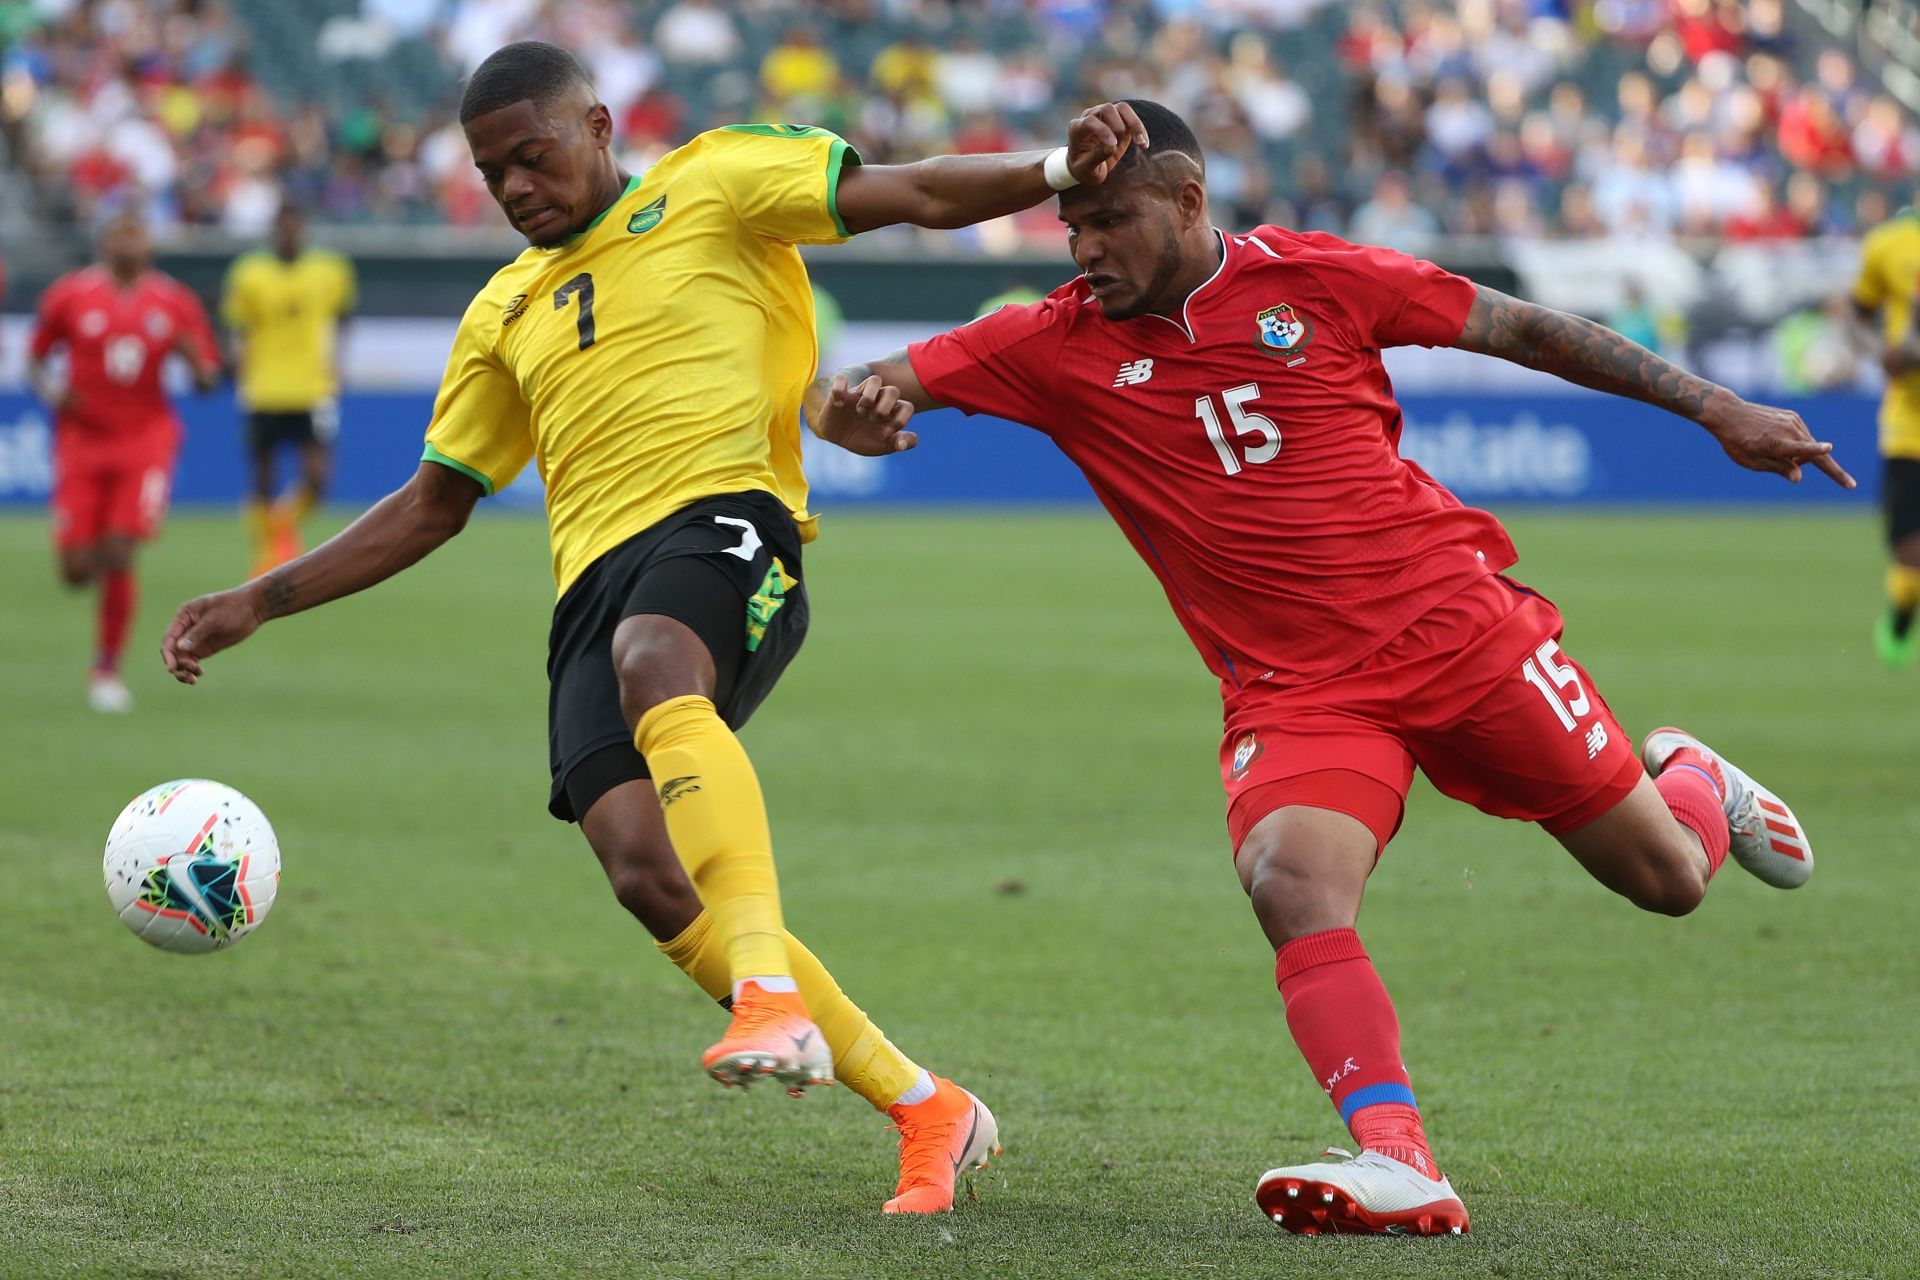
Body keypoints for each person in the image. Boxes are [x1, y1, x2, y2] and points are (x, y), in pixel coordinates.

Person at [809, 100, 1851, 1236]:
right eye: (1072, 226)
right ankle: (1397, 1154)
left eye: (1109, 220)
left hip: (1460, 633)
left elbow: (1524, 330)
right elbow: (864, 385)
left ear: (1188, 202)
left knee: (1668, 878)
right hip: (1298, 691)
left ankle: (1695, 781)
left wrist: (1715, 407)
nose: (1084, 247)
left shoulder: (1320, 279)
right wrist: (852, 416)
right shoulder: (1051, 340)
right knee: (1288, 876)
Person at [160, 41, 1146, 1214]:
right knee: (645, 873)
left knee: (655, 662)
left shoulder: (719, 178)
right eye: (492, 174)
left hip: (730, 522)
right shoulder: (503, 309)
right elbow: (433, 503)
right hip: (591, 587)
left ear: (598, 126)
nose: (518, 187)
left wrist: (1047, 167)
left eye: (533, 156)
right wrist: (255, 598)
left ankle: (768, 990)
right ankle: (929, 1106)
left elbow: (914, 191)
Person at [28, 210, 219, 713]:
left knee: (119, 550)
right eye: (120, 231)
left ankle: (107, 668)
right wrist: (55, 393)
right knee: (74, 570)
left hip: (145, 440)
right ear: (104, 241)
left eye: (137, 231)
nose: (129, 239)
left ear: (150, 243)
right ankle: (102, 617)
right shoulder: (70, 295)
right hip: (81, 442)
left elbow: (206, 378)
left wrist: (196, 363)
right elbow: (33, 359)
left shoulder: (174, 302)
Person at [222, 203, 357, 575]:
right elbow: (240, 327)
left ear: (303, 229)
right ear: (273, 230)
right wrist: (238, 363)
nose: (289, 233)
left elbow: (343, 318)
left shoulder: (330, 271)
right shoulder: (249, 273)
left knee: (317, 477)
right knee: (262, 475)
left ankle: (280, 527)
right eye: (283, 226)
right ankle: (265, 553)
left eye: (294, 225)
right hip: (263, 386)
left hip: (312, 387)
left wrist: (339, 364)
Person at [1849, 209, 1920, 669]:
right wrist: (1883, 354)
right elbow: (1856, 314)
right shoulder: (1888, 245)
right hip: (1908, 422)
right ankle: (1902, 613)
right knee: (1909, 550)